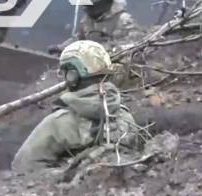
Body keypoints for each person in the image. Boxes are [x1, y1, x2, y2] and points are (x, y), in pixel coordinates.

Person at [11, 40, 139, 173]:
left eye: (66, 72)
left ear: (73, 75)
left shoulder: (57, 123)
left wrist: (66, 174)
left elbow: (23, 168)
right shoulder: (126, 117)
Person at [48, 0, 138, 56]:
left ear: (102, 4)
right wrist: (62, 48)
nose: (85, 9)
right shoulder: (87, 21)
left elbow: (132, 45)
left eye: (89, 6)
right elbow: (79, 39)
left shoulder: (124, 20)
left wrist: (97, 49)